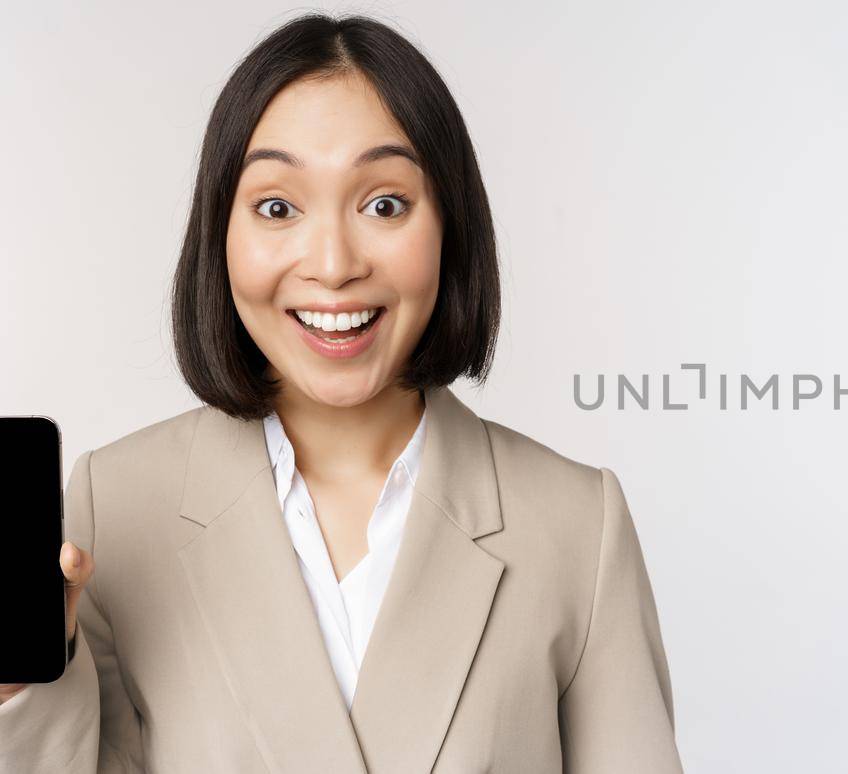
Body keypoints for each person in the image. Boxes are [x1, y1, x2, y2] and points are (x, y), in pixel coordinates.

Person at [0, 13, 683, 773]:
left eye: (384, 204)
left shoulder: (576, 528)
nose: (332, 264)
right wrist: (14, 692)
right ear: (218, 235)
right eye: (277, 207)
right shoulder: (117, 507)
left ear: (450, 225)